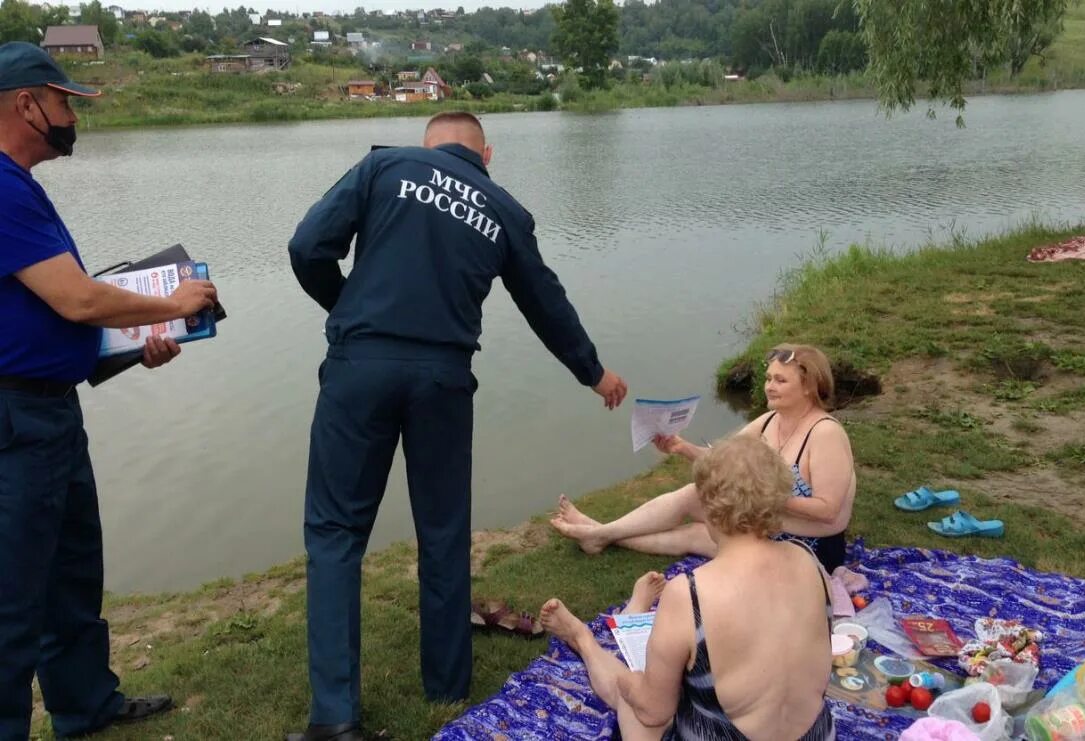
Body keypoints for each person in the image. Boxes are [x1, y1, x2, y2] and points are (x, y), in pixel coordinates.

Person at [287, 111, 628, 741]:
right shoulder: (501, 208)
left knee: (335, 532)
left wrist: (349, 309)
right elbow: (544, 301)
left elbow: (307, 247)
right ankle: (446, 684)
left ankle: (334, 717)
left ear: (430, 144)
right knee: (443, 530)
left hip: (360, 367)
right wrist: (593, 371)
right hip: (443, 377)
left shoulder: (382, 166)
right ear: (486, 154)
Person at [0, 42, 218, 740]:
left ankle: (85, 704)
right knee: (11, 597)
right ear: (26, 102)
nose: (72, 115)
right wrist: (170, 302)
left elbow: (42, 313)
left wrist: (123, 352)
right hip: (15, 422)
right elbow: (76, 300)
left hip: (51, 409)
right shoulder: (0, 187)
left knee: (70, 575)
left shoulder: (20, 186)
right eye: (66, 101)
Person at [540, 434, 836, 740]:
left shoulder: (691, 593)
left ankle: (583, 639)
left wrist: (628, 682)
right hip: (815, 734)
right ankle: (624, 620)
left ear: (706, 503)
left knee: (637, 709)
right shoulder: (809, 562)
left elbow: (654, 711)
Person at [551, 343, 854, 573]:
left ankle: (599, 533)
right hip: (769, 524)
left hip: (809, 548)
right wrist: (682, 448)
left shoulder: (825, 434)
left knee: (697, 534)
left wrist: (759, 497)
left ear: (809, 387)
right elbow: (725, 458)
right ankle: (600, 534)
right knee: (696, 494)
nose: (769, 386)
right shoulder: (770, 420)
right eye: (768, 378)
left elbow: (828, 510)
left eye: (780, 380)